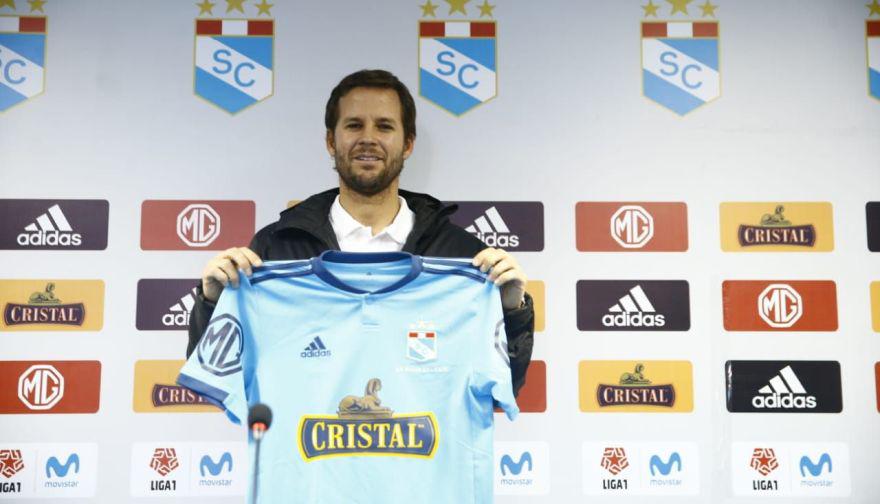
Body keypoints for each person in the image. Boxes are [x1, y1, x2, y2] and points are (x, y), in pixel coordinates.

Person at [186, 69, 534, 394]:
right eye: (354, 125)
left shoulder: (463, 256)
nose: (368, 139)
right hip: (311, 458)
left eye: (384, 127)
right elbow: (223, 378)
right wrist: (213, 303)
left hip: (419, 458)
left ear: (408, 144)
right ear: (330, 141)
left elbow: (504, 384)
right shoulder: (277, 247)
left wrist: (511, 310)